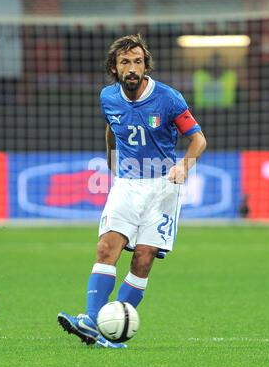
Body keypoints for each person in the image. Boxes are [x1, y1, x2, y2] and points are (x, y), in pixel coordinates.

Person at [58, 34, 207, 348]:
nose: (132, 68)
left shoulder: (169, 98)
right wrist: (112, 159)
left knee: (143, 258)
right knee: (105, 248)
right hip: (127, 184)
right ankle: (92, 320)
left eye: (137, 61)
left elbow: (198, 140)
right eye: (125, 62)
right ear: (114, 67)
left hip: (163, 188)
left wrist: (183, 166)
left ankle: (112, 333)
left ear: (145, 65)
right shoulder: (108, 97)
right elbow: (112, 127)